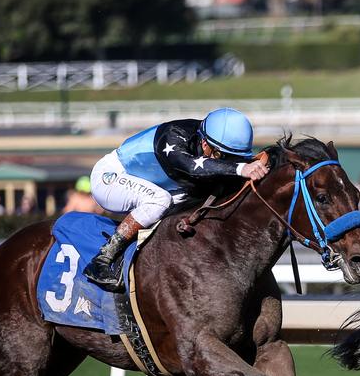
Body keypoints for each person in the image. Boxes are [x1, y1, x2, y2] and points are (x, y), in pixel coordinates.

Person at [84, 107, 269, 290]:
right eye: (225, 157)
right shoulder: (173, 137)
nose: (229, 161)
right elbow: (190, 166)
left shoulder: (212, 138)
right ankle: (102, 259)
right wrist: (239, 169)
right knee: (160, 200)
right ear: (206, 145)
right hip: (111, 177)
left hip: (156, 183)